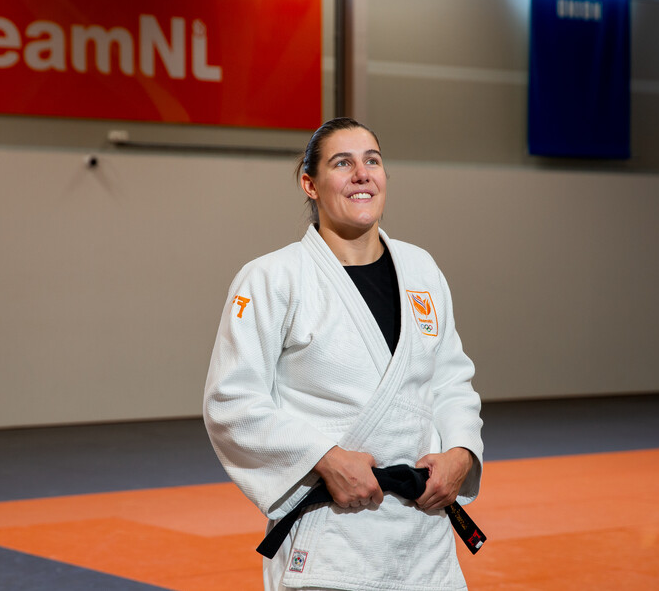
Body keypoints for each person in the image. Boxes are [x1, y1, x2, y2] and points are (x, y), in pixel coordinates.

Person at [203, 117, 483, 590]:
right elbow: (232, 401)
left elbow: (451, 380)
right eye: (342, 163)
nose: (362, 174)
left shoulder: (421, 269)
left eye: (372, 160)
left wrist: (460, 452)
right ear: (310, 184)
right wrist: (325, 459)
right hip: (333, 538)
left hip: (425, 536)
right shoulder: (272, 278)